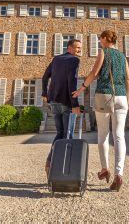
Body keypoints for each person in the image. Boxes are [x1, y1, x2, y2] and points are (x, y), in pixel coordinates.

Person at [73, 29, 129, 192]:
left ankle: (105, 169)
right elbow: (128, 79)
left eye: (100, 38)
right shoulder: (122, 56)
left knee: (103, 135)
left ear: (106, 39)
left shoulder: (103, 52)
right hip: (121, 97)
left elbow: (94, 73)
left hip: (104, 95)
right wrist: (127, 99)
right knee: (119, 135)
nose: (99, 41)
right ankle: (119, 174)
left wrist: (81, 88)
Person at [42, 38, 82, 177]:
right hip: (66, 103)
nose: (79, 50)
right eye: (77, 48)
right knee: (68, 135)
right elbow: (72, 82)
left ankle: (49, 162)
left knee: (60, 133)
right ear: (69, 48)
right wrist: (75, 104)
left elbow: (45, 77)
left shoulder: (56, 59)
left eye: (80, 48)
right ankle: (62, 169)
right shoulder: (74, 61)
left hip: (54, 101)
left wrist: (44, 93)